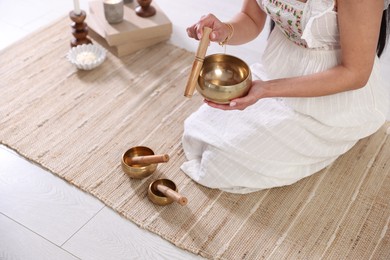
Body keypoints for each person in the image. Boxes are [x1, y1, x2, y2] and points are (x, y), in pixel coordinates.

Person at [180, 0, 390, 194]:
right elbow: (251, 18)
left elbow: (354, 74)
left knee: (220, 163)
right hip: (278, 69)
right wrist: (224, 30)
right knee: (197, 133)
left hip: (332, 97)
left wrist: (266, 90)